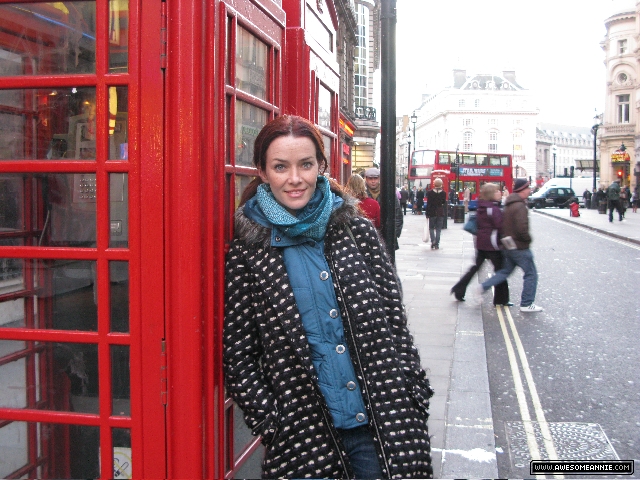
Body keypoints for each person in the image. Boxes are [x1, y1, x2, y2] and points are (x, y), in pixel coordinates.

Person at [223, 115, 434, 479]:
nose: (295, 178)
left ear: (321, 166)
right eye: (280, 167)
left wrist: (412, 387)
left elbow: (394, 318)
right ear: (262, 171)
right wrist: (271, 421)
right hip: (304, 437)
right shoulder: (249, 250)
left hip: (384, 421)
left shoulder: (355, 229)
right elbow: (238, 352)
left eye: (306, 164)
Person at [479, 178, 543, 313]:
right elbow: (522, 228)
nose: (529, 190)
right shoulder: (519, 206)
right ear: (522, 190)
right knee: (531, 274)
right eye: (528, 188)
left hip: (508, 245)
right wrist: (527, 240)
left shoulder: (509, 203)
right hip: (520, 246)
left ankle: (483, 287)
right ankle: (527, 303)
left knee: (504, 272)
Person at [450, 183, 510, 304]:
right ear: (491, 194)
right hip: (492, 245)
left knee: (474, 268)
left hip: (482, 243)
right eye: (497, 191)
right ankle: (501, 299)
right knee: (501, 272)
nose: (500, 193)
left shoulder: (483, 206)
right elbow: (500, 226)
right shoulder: (492, 208)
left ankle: (459, 289)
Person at [364, 167, 403, 249]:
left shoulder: (388, 192)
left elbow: (397, 213)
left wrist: (394, 233)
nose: (373, 181)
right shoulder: (362, 193)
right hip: (368, 236)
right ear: (366, 179)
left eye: (375, 178)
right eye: (370, 178)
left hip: (386, 235)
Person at [425, 178, 447, 249]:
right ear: (441, 184)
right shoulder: (444, 193)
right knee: (438, 229)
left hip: (432, 212)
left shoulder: (430, 192)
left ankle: (433, 241)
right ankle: (437, 244)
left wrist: (427, 213)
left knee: (431, 228)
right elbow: (443, 202)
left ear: (434, 184)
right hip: (440, 212)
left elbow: (428, 204)